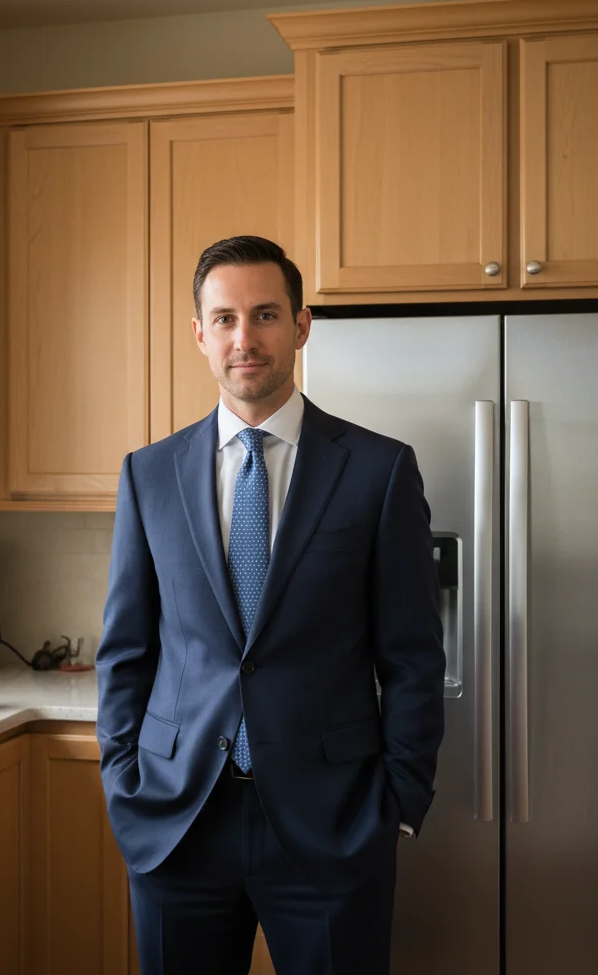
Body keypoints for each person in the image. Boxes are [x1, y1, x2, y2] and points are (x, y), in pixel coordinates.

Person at [96, 235, 445, 974]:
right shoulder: (147, 475)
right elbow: (126, 652)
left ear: (301, 325)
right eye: (223, 319)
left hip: (333, 823)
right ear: (199, 334)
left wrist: (399, 801)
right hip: (177, 821)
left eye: (264, 315)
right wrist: (124, 780)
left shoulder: (379, 472)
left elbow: (412, 655)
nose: (243, 338)